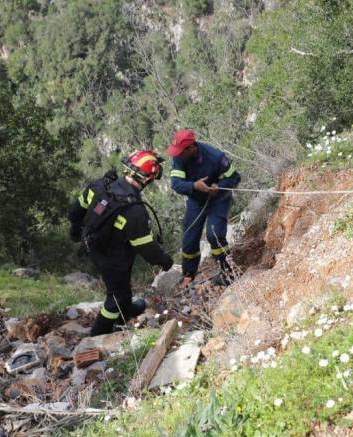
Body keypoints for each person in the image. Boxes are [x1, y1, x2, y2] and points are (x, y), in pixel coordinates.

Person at [67, 150, 174, 336]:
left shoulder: (100, 186)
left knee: (122, 286)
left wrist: (76, 232)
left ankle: (126, 311)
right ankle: (99, 333)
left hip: (91, 244)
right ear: (147, 179)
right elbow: (147, 248)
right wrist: (165, 261)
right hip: (112, 256)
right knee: (117, 295)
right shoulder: (135, 212)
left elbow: (76, 211)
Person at [167, 129, 241, 287]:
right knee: (189, 237)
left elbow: (234, 177)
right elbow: (176, 184)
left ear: (192, 148)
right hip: (196, 200)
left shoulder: (215, 157)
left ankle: (227, 272)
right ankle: (188, 274)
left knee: (214, 234)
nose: (177, 154)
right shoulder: (179, 158)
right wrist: (194, 186)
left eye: (181, 152)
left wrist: (219, 187)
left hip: (219, 199)